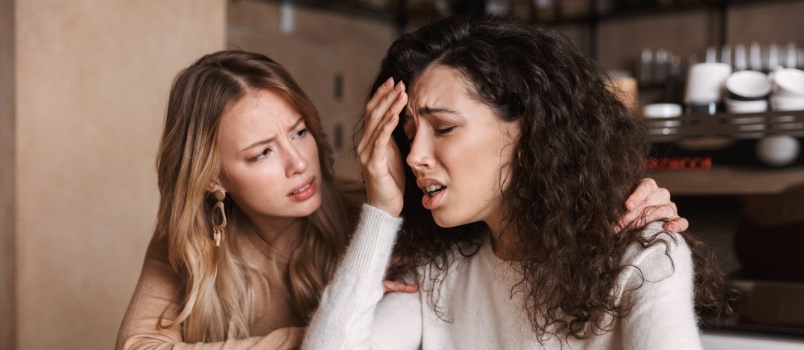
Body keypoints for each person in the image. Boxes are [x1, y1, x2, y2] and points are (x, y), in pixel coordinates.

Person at [116, 49, 685, 348]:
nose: (298, 163)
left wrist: (622, 195)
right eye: (262, 153)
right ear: (213, 178)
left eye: (300, 133)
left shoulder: (379, 216)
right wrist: (302, 338)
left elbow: (509, 201)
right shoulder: (189, 241)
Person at [303, 16, 732, 349]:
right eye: (410, 134)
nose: (414, 156)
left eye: (444, 128)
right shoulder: (438, 272)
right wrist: (381, 209)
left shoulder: (643, 258)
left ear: (529, 134)